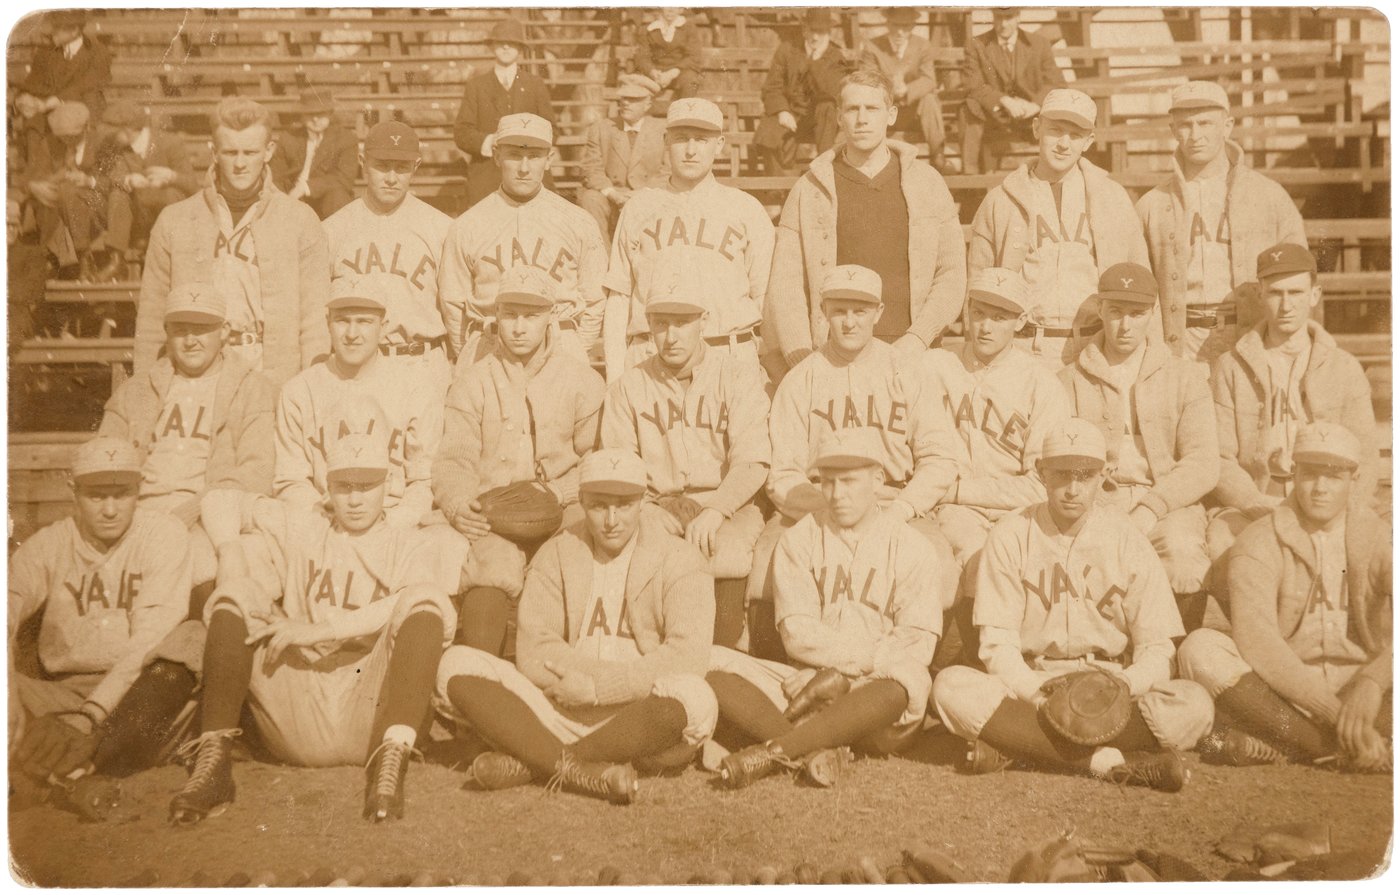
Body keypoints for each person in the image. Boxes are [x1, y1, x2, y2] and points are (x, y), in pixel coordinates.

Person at [166, 435, 478, 824]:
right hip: (297, 700)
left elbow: (419, 601)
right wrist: (230, 550)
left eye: (367, 485)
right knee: (237, 593)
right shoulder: (304, 525)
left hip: (367, 710)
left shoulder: (409, 542)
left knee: (426, 600)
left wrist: (320, 629)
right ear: (327, 486)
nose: (356, 498)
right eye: (344, 486)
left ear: (390, 484)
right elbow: (217, 500)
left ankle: (392, 765)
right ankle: (213, 763)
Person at [931, 418, 1215, 793]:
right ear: (1040, 473)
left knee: (1195, 704)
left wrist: (1124, 686)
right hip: (1037, 683)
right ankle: (1107, 763)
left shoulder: (1127, 538)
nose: (1073, 488)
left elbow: (1158, 647)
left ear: (1105, 475)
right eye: (1061, 474)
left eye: (1085, 475)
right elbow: (998, 647)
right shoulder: (1010, 536)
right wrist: (1035, 694)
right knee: (951, 687)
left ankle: (1023, 748)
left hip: (1111, 684)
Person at [434, 449, 718, 804]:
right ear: (581, 501)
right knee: (455, 664)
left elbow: (686, 658)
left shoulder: (680, 559)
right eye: (599, 505)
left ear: (643, 502)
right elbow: (536, 651)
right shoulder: (557, 551)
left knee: (697, 697)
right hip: (560, 707)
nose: (612, 519)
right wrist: (581, 689)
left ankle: (538, 763)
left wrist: (599, 689)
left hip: (637, 714)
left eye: (624, 505)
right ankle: (583, 770)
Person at [708, 426, 942, 789]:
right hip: (803, 686)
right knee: (710, 662)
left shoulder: (913, 547)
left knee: (906, 682)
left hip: (874, 694)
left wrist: (845, 679)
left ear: (878, 479)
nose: (836, 495)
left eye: (848, 481)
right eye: (826, 482)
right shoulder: (799, 538)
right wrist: (826, 677)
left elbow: (917, 645)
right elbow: (798, 636)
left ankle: (777, 749)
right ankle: (817, 749)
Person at [755, 265, 958, 660]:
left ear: (879, 312)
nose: (849, 322)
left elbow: (939, 457)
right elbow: (782, 473)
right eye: (839, 311)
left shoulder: (905, 370)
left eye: (860, 311)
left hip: (894, 500)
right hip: (820, 501)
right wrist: (831, 509)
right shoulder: (802, 379)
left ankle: (925, 675)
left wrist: (900, 509)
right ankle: (785, 668)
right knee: (768, 557)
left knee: (940, 563)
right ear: (823, 313)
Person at [1178, 422, 1391, 772]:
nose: (1320, 488)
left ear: (1354, 479)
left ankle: (1295, 745)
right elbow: (1258, 642)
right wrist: (1336, 714)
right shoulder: (1259, 540)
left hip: (1365, 690)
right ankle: (1341, 746)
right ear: (1293, 473)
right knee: (1199, 649)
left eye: (1334, 476)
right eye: (1310, 474)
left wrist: (1371, 683)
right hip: (1286, 692)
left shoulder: (1379, 536)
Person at [600, 250, 771, 649]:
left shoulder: (738, 377)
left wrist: (715, 509)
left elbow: (753, 461)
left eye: (682, 322)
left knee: (723, 555)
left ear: (704, 322)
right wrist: (648, 509)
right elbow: (620, 466)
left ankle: (724, 654)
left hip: (728, 504)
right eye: (661, 323)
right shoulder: (629, 386)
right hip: (657, 505)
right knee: (650, 557)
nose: (671, 336)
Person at [433, 265, 605, 657]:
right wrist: (461, 505)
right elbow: (453, 460)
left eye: (532, 315)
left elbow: (595, 461)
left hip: (564, 506)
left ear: (551, 318)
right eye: (510, 314)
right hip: (495, 512)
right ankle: (475, 674)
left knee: (574, 564)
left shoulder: (581, 380)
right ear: (495, 316)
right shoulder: (474, 381)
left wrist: (558, 491)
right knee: (489, 571)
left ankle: (567, 673)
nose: (520, 327)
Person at [9, 437, 192, 787]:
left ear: (139, 490)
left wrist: (90, 716)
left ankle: (76, 759)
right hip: (62, 694)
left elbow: (147, 643)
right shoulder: (50, 543)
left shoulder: (162, 534)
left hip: (137, 694)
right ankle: (72, 762)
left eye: (121, 494)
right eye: (96, 495)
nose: (110, 509)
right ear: (72, 491)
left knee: (190, 641)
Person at [766, 68, 965, 374]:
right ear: (838, 118)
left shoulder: (928, 183)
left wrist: (918, 338)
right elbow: (786, 283)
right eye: (852, 109)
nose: (862, 119)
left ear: (891, 115)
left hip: (912, 355)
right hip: (834, 360)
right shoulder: (810, 188)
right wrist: (802, 360)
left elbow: (951, 273)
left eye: (872, 108)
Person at [1059, 264, 1218, 631]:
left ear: (1153, 314)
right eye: (1115, 312)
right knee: (1092, 557)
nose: (1125, 326)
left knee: (1182, 554)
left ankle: (1176, 656)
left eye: (1137, 314)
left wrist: (1152, 507)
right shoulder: (1070, 379)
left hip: (1166, 501)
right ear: (1100, 309)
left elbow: (1203, 462)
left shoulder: (1185, 376)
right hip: (1097, 502)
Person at [134, 96, 331, 389]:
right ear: (213, 151)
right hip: (197, 381)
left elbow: (315, 324)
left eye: (250, 152)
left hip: (273, 376)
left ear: (269, 151)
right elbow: (152, 321)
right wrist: (145, 392)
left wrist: (312, 393)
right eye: (230, 152)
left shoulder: (300, 220)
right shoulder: (176, 220)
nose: (240, 164)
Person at [1208, 243, 1379, 573]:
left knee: (1370, 550)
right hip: (1259, 499)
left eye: (1296, 293)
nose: (1286, 305)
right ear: (1260, 294)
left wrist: (1339, 508)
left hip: (1327, 498)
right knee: (1222, 545)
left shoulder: (1343, 367)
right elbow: (1219, 458)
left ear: (1314, 294)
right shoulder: (1230, 366)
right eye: (1275, 293)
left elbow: (1366, 456)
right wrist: (1252, 502)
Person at [920, 268, 1071, 631]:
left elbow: (1042, 485)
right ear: (966, 312)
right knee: (974, 556)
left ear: (1020, 322)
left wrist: (959, 490)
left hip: (1014, 509)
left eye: (1000, 318)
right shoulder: (933, 366)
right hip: (949, 510)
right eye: (979, 313)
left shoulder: (1042, 384)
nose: (985, 327)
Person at [99, 282, 276, 586]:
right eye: (181, 329)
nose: (190, 340)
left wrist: (191, 511)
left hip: (207, 522)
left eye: (202, 328)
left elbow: (255, 471)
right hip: (136, 515)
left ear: (224, 331)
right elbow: (103, 458)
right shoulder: (137, 390)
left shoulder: (252, 388)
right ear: (167, 332)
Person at [968, 88, 1149, 370]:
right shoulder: (1001, 199)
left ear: (1088, 141)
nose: (1064, 144)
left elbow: (1139, 277)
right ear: (1037, 128)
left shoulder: (1112, 196)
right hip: (1026, 347)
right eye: (1055, 130)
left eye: (1075, 135)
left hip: (1096, 345)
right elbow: (977, 286)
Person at [602, 98, 774, 384]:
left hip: (727, 352)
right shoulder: (640, 206)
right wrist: (614, 376)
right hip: (650, 360)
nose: (691, 150)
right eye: (682, 139)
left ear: (719, 144)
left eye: (702, 140)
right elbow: (619, 298)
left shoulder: (746, 208)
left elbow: (766, 297)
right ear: (666, 141)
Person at [1137, 81, 1307, 366]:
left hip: (1250, 334)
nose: (1195, 135)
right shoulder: (1152, 204)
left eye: (1205, 123)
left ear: (1227, 126)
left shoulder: (1268, 196)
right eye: (1186, 125)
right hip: (1181, 338)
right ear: (1173, 130)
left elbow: (1298, 277)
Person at [439, 113, 605, 367]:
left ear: (549, 159)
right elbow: (453, 304)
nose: (524, 168)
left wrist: (571, 348)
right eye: (515, 155)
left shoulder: (578, 221)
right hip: (489, 346)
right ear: (496, 156)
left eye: (535, 156)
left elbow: (594, 300)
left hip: (560, 344)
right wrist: (474, 353)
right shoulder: (468, 224)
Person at [275, 278, 442, 530]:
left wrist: (392, 527)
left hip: (396, 522)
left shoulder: (415, 387)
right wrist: (325, 524)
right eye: (342, 321)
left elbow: (424, 480)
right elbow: (290, 481)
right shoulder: (299, 391)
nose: (352, 334)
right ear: (328, 324)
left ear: (383, 327)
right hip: (324, 524)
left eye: (364, 322)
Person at [323, 121, 453, 400]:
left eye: (402, 167)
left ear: (416, 167)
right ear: (362, 161)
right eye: (382, 166)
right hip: (356, 369)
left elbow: (455, 312)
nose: (391, 178)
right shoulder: (333, 230)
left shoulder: (441, 228)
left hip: (422, 363)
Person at [452, 17, 555, 211]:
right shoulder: (477, 86)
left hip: (527, 171)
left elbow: (552, 129)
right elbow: (461, 133)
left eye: (512, 43)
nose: (506, 47)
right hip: (488, 170)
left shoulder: (534, 84)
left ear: (520, 49)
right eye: (500, 43)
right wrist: (489, 141)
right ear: (492, 47)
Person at [20, 100, 121, 280]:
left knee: (69, 193)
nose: (67, 141)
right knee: (47, 200)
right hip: (58, 205)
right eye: (63, 137)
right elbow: (28, 178)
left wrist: (87, 180)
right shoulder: (50, 143)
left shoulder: (103, 143)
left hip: (97, 205)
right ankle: (60, 260)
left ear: (86, 128)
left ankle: (79, 258)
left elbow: (115, 182)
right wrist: (36, 186)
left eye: (73, 136)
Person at [960, 8, 1065, 175]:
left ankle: (1057, 176)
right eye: (998, 17)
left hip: (1030, 119)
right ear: (993, 17)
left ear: (1018, 17)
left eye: (1008, 17)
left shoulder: (1039, 43)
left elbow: (1057, 82)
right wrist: (1003, 100)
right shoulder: (977, 43)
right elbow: (972, 84)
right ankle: (971, 178)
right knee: (969, 106)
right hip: (995, 117)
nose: (1003, 24)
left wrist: (1035, 105)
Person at [754, 8, 855, 175]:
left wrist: (817, 59)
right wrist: (782, 110)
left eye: (821, 32)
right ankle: (777, 189)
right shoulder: (786, 50)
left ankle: (824, 171)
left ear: (828, 33)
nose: (815, 37)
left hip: (818, 119)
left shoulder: (835, 55)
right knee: (767, 130)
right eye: (812, 30)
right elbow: (772, 86)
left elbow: (831, 92)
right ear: (804, 29)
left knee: (827, 107)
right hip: (790, 112)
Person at [98, 101, 200, 263]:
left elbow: (193, 186)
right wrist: (128, 179)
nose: (109, 137)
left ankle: (172, 257)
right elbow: (111, 176)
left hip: (166, 210)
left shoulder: (170, 142)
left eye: (114, 133)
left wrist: (170, 176)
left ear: (128, 131)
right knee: (118, 193)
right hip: (137, 215)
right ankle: (116, 260)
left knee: (172, 194)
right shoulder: (117, 147)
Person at [577, 73, 670, 239]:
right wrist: (612, 193)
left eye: (634, 99)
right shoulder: (602, 128)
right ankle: (602, 258)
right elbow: (591, 168)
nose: (626, 103)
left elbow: (668, 171)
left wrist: (642, 193)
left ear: (648, 103)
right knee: (590, 198)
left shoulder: (663, 130)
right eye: (624, 98)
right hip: (613, 193)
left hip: (647, 193)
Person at [859, 7, 946, 171]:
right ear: (888, 24)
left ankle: (938, 154)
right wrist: (891, 90)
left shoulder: (922, 45)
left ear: (912, 26)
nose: (900, 32)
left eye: (905, 27)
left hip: (913, 112)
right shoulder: (873, 47)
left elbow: (929, 79)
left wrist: (907, 90)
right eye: (895, 25)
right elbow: (866, 81)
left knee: (930, 99)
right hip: (884, 111)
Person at [270, 89, 357, 220]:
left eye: (321, 113)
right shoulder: (288, 137)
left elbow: (344, 179)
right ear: (302, 115)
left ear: (330, 113)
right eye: (310, 114)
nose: (315, 119)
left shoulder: (346, 138)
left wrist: (306, 187)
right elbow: (276, 175)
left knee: (337, 195)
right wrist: (283, 200)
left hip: (327, 201)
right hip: (292, 198)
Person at [14, 10, 111, 124]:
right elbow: (32, 82)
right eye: (52, 26)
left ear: (74, 31)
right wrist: (23, 98)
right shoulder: (45, 53)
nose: (52, 32)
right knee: (33, 124)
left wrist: (50, 103)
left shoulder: (97, 52)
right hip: (45, 113)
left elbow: (87, 86)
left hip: (80, 112)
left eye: (57, 28)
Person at [633, 8, 702, 102]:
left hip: (679, 71)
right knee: (636, 80)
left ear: (681, 10)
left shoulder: (689, 28)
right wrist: (652, 72)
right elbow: (641, 56)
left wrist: (672, 73)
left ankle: (683, 112)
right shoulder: (649, 29)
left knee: (691, 80)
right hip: (657, 73)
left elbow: (693, 56)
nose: (670, 9)